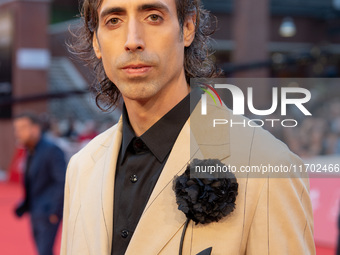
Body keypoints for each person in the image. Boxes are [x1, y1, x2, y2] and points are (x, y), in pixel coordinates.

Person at [61, 0, 315, 254]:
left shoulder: (268, 166)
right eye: (113, 21)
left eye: (153, 17)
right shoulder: (81, 168)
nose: (132, 40)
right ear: (96, 41)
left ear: (188, 27)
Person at [13, 113, 66, 255]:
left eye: (22, 128)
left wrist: (55, 211)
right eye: (16, 129)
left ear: (35, 129)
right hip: (35, 211)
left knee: (44, 252)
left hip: (48, 213)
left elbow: (62, 181)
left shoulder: (51, 150)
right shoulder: (31, 151)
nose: (18, 132)